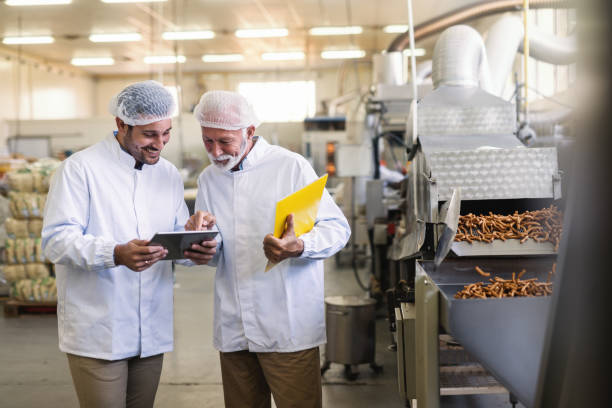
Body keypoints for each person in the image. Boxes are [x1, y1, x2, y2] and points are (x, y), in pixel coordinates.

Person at [41, 80, 216, 408]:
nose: (160, 144)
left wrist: (194, 244)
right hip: (100, 330)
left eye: (166, 133)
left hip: (151, 330)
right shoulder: (80, 170)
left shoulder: (166, 174)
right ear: (121, 124)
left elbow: (173, 240)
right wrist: (115, 254)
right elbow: (55, 241)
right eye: (149, 134)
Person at [185, 90, 351, 408]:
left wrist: (299, 245)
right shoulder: (209, 179)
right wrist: (201, 246)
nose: (216, 152)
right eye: (208, 141)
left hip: (286, 326)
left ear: (249, 131)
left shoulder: (289, 167)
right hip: (234, 326)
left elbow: (337, 229)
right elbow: (216, 250)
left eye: (224, 141)